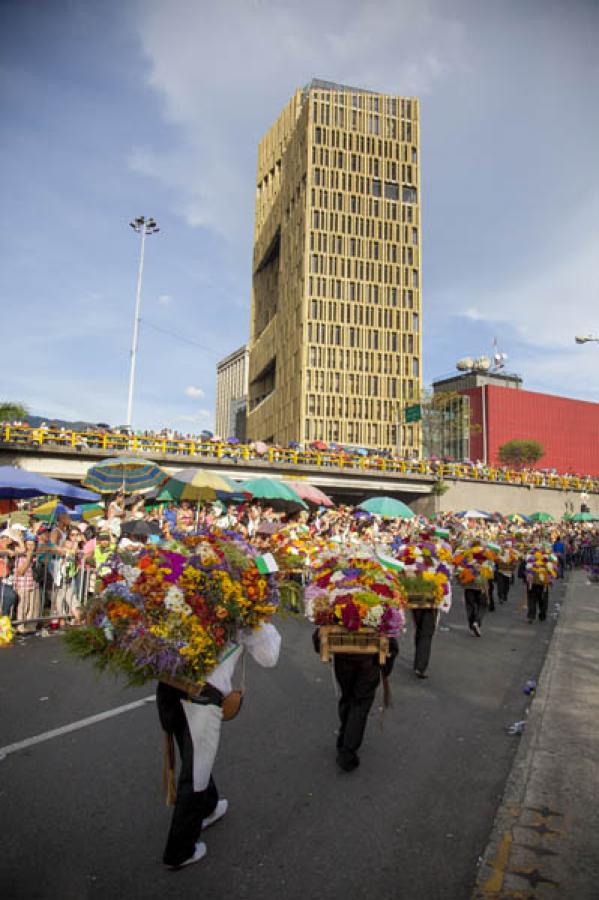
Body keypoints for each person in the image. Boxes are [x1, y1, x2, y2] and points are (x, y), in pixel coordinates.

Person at [156, 621, 281, 869]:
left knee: (193, 755)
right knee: (196, 772)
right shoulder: (242, 611)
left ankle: (209, 807)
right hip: (199, 696)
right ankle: (180, 851)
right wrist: (260, 621)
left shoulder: (190, 594)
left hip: (168, 685)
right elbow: (269, 657)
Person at [313, 630, 398, 771]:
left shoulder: (338, 607)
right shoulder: (379, 609)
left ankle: (343, 739)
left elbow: (321, 630)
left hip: (344, 655)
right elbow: (391, 636)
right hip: (369, 660)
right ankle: (347, 752)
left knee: (347, 697)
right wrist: (387, 663)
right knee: (360, 703)